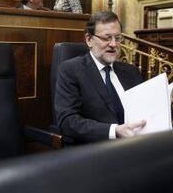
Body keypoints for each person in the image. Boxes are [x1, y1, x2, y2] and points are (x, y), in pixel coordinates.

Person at [54, 11, 146, 146]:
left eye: (118, 38)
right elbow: (68, 121)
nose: (114, 44)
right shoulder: (70, 70)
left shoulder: (131, 71)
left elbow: (143, 108)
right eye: (106, 38)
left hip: (137, 146)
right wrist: (115, 131)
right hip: (96, 152)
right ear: (89, 40)